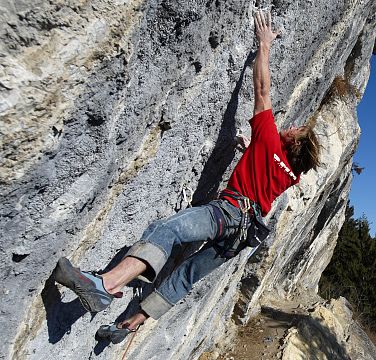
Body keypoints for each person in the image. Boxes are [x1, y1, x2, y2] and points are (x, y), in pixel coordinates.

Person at [52, 9, 320, 343]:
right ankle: (130, 324)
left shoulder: (270, 139)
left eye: (296, 128)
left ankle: (104, 286)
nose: (291, 126)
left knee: (168, 229)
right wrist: (249, 150)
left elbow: (262, 89)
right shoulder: (288, 173)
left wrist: (264, 44)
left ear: (293, 141)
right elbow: (265, 171)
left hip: (228, 213)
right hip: (243, 233)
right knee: (188, 274)